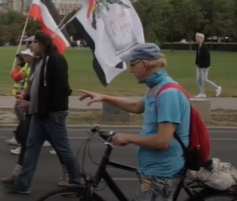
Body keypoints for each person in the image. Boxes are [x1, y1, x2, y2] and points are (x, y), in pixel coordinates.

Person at [78, 43, 190, 201]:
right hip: (153, 167)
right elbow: (137, 106)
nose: (131, 70)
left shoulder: (168, 94)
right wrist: (104, 97)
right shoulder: (156, 87)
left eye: (133, 65)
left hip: (161, 171)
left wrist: (128, 138)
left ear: (144, 64)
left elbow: (162, 141)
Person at [8, 31, 81, 194]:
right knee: (31, 146)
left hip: (52, 114)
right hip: (38, 113)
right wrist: (28, 99)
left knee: (63, 148)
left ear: (42, 43)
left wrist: (51, 109)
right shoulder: (40, 61)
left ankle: (76, 182)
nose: (30, 45)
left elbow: (61, 89)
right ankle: (22, 185)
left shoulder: (55, 60)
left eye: (33, 42)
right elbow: (39, 88)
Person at [2, 48, 69, 187]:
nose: (24, 57)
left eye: (26, 55)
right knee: (27, 144)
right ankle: (17, 176)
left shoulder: (41, 68)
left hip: (45, 114)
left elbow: (47, 91)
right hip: (34, 113)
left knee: (60, 147)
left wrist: (30, 101)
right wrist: (25, 98)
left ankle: (68, 176)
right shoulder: (32, 68)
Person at [6, 52, 31, 146]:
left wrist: (15, 70)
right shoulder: (25, 67)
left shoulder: (28, 67)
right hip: (22, 93)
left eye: (17, 60)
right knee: (22, 115)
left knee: (22, 114)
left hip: (25, 94)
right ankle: (20, 135)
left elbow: (17, 77)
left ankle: (20, 138)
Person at [194, 33, 221, 98]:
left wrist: (205, 67)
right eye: (196, 37)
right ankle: (202, 93)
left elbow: (207, 58)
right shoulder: (199, 47)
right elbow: (198, 56)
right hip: (199, 66)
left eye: (197, 38)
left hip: (204, 67)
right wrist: (196, 63)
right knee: (198, 80)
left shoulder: (204, 47)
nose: (196, 39)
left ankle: (217, 88)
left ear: (201, 39)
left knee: (204, 80)